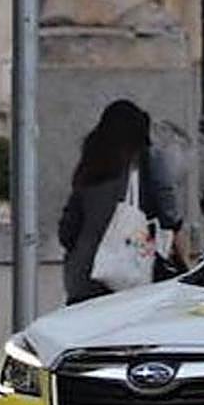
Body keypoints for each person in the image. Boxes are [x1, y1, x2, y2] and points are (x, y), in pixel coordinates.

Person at [58, 99, 185, 305]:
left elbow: (66, 232)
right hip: (130, 275)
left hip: (83, 277)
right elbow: (169, 215)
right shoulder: (149, 159)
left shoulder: (91, 166)